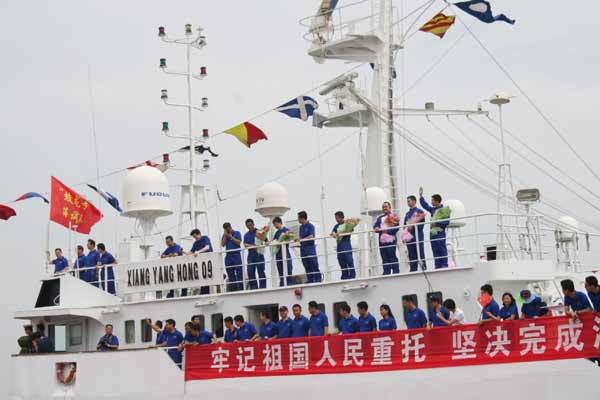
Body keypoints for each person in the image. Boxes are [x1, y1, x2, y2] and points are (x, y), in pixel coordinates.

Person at [419, 187, 449, 269]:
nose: (431, 202)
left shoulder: (443, 210)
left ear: (436, 201)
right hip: (433, 234)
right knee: (435, 250)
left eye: (432, 200)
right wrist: (421, 196)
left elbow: (447, 222)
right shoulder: (433, 210)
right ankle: (437, 266)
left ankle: (444, 265)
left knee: (442, 249)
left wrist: (437, 223)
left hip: (440, 234)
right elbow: (425, 206)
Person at [373, 201, 400, 274]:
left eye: (386, 206)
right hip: (382, 241)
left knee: (392, 256)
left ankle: (395, 271)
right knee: (384, 257)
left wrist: (387, 231)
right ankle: (386, 271)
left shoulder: (393, 216)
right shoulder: (380, 218)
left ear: (390, 207)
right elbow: (375, 226)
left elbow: (397, 228)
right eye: (383, 207)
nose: (384, 208)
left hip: (390, 240)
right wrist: (376, 228)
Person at [296, 211, 321, 283]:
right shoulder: (301, 227)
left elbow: (311, 236)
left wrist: (301, 239)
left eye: (298, 218)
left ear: (302, 218)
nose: (298, 220)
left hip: (310, 248)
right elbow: (301, 237)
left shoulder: (310, 226)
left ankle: (317, 279)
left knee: (314, 264)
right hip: (303, 248)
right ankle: (310, 279)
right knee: (306, 264)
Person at [404, 196, 427, 272]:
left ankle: (424, 269)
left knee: (420, 253)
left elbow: (421, 224)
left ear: (414, 201)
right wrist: (405, 235)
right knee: (411, 255)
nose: (408, 203)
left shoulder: (419, 211)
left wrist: (412, 227)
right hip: (409, 238)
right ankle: (413, 270)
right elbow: (404, 225)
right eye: (407, 201)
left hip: (417, 236)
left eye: (409, 201)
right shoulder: (407, 214)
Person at [330, 211, 356, 280]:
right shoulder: (336, 226)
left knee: (349, 260)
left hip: (346, 243)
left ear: (341, 217)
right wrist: (333, 234)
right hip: (339, 245)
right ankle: (344, 276)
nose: (336, 220)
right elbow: (333, 233)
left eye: (337, 218)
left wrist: (340, 233)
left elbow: (351, 230)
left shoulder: (347, 224)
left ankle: (352, 275)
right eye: (335, 218)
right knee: (341, 261)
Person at [243, 219, 266, 290]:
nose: (250, 226)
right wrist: (253, 246)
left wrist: (259, 246)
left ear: (253, 224)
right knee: (250, 271)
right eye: (248, 225)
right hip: (251, 255)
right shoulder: (246, 235)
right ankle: (254, 288)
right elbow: (245, 245)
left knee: (261, 271)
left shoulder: (260, 232)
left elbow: (266, 241)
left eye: (251, 225)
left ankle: (262, 287)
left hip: (259, 255)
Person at [189, 228, 213, 295]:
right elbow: (190, 253)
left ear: (199, 234)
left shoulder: (205, 238)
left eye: (195, 236)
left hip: (209, 262)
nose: (195, 238)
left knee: (208, 278)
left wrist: (198, 252)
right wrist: (182, 251)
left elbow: (207, 247)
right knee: (204, 279)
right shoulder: (195, 243)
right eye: (194, 237)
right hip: (202, 265)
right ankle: (204, 293)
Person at [221, 223, 244, 291]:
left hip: (236, 255)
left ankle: (241, 289)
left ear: (230, 227)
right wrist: (225, 236)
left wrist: (231, 236)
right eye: (225, 228)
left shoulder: (237, 233)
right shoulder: (224, 235)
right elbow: (222, 244)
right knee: (230, 274)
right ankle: (234, 289)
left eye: (228, 228)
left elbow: (238, 242)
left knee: (239, 273)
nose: (227, 229)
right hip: (228, 256)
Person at [272, 217, 294, 287]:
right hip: (278, 253)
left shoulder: (286, 230)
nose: (275, 226)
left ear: (280, 223)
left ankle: (289, 284)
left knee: (288, 269)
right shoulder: (277, 232)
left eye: (276, 224)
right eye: (274, 225)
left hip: (285, 252)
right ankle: (282, 284)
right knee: (280, 270)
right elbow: (274, 240)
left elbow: (291, 237)